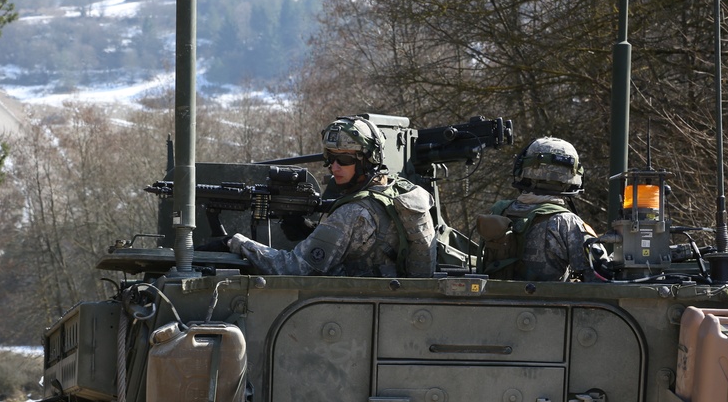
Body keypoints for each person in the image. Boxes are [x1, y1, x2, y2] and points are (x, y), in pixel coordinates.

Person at [203, 115, 436, 277]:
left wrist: (236, 243)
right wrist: (311, 231)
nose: (334, 167)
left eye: (344, 159)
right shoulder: (396, 190)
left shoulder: (353, 213)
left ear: (369, 160)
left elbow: (292, 268)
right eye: (329, 158)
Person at [476, 136, 608, 282]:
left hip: (496, 303)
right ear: (573, 174)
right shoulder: (567, 223)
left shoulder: (499, 211)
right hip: (547, 304)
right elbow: (601, 276)